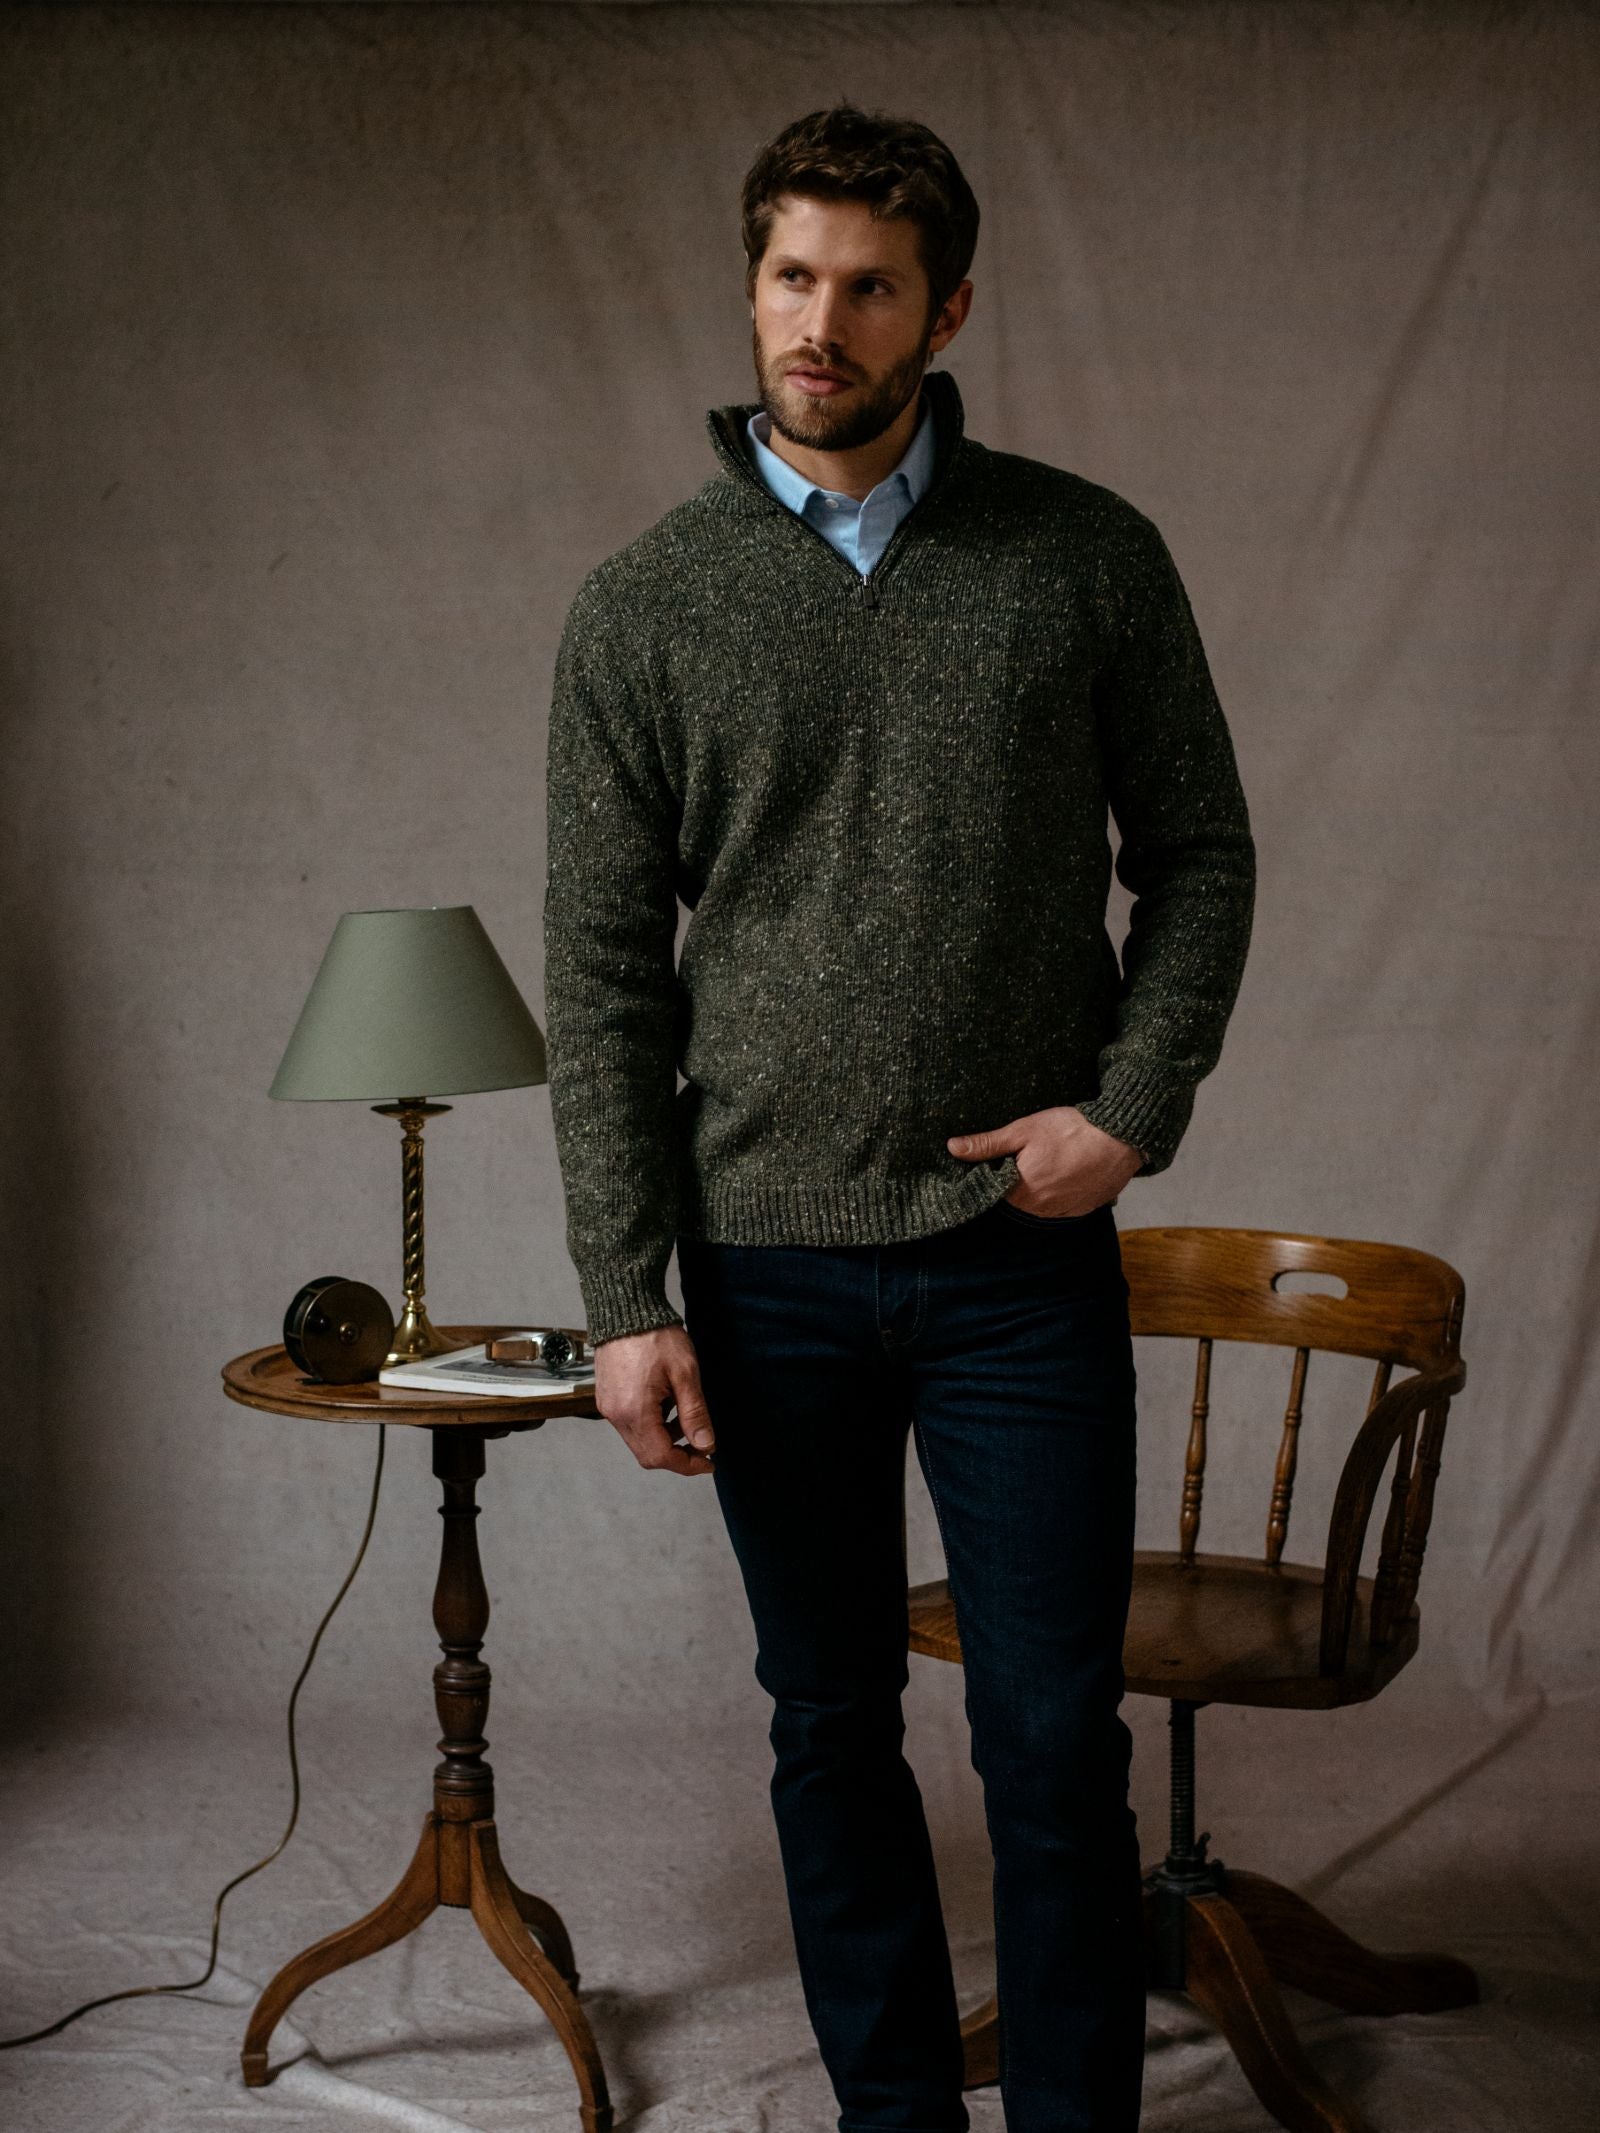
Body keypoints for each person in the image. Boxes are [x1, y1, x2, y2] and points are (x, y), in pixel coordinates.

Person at [543, 102, 1256, 2133]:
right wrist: (623, 1289)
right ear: (748, 287)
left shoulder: (1083, 555)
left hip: (1018, 1262)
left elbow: (1196, 849)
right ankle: (886, 2114)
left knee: (1048, 1741)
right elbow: (600, 971)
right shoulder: (641, 608)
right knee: (827, 1723)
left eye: (866, 285)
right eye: (790, 275)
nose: (818, 320)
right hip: (760, 1268)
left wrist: (1129, 1107)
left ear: (943, 308)